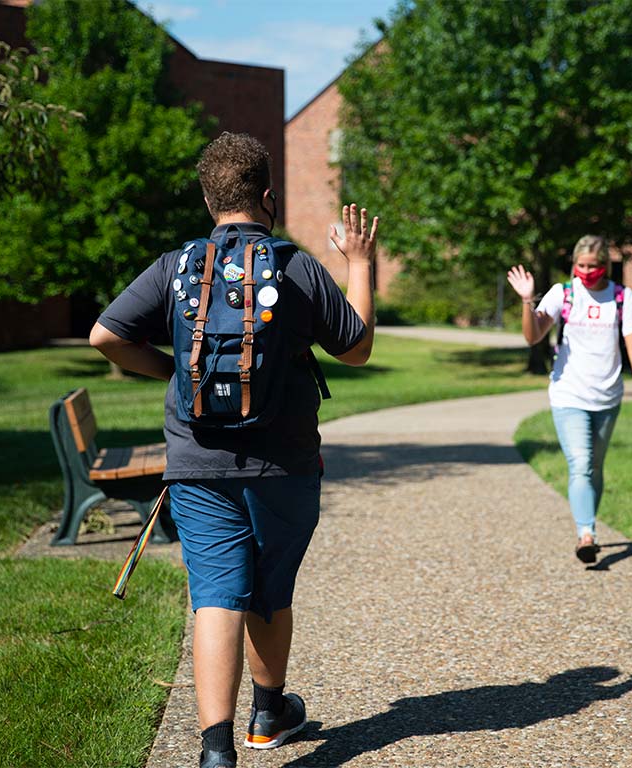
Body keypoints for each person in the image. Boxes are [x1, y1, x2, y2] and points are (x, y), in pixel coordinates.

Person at [90, 132, 378, 768]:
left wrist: (173, 370)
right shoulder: (295, 266)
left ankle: (216, 753)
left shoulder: (176, 266)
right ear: (268, 196)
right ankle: (269, 713)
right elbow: (354, 347)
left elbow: (104, 334)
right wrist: (359, 262)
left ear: (206, 197)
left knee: (216, 594)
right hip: (286, 464)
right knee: (271, 591)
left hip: (198, 462)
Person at [507, 235, 632, 564]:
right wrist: (528, 301)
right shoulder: (564, 293)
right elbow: (533, 336)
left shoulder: (621, 297)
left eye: (593, 266)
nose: (586, 271)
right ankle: (586, 534)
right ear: (574, 264)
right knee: (581, 463)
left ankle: (588, 524)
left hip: (608, 396)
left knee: (595, 466)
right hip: (568, 393)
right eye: (581, 265)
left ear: (606, 266)